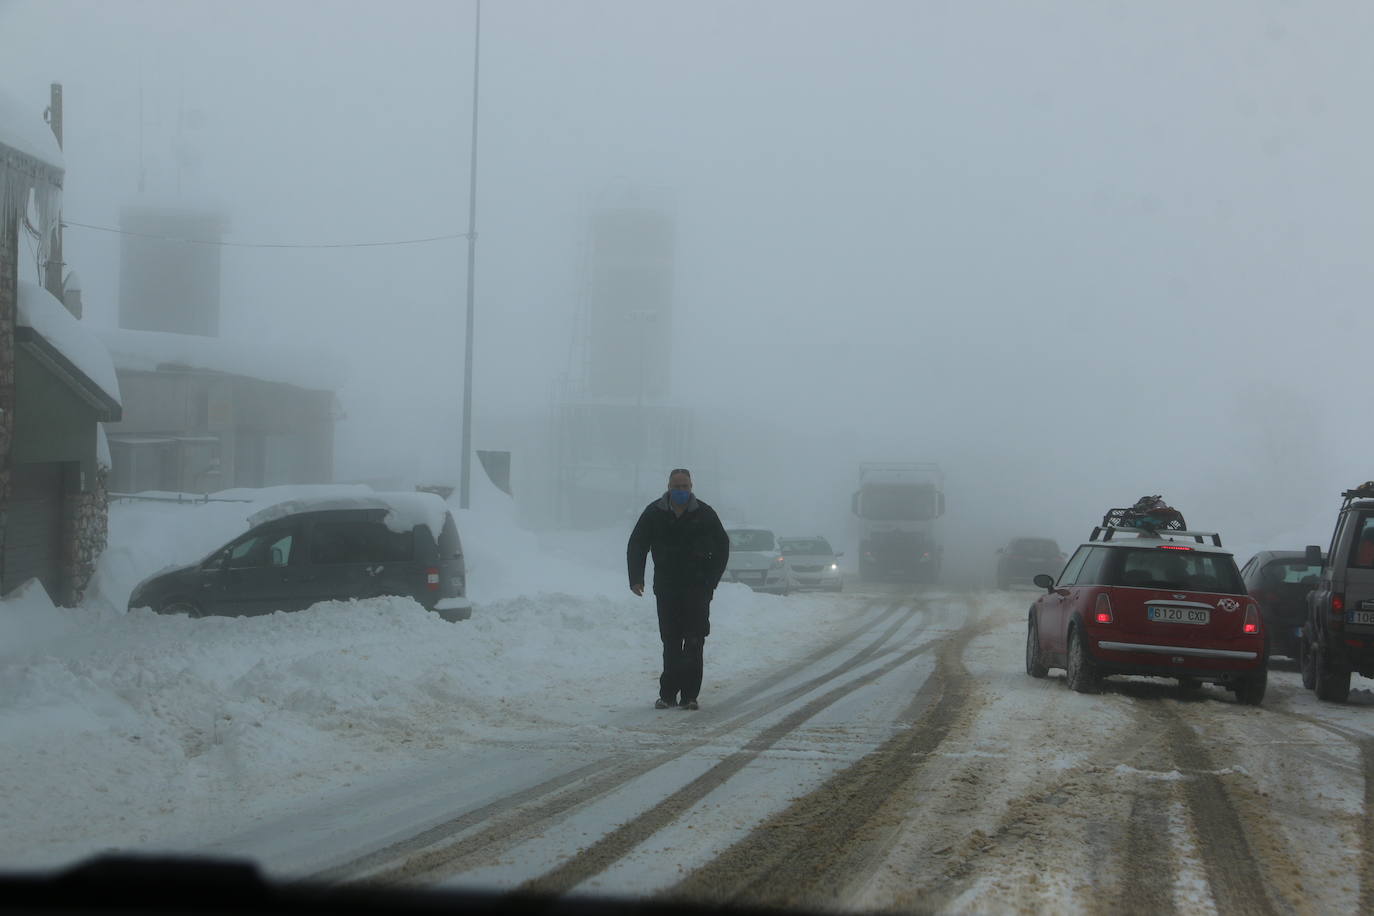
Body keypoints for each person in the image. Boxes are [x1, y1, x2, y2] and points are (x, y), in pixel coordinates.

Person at [627, 468, 730, 710]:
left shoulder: (705, 514)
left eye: (684, 486)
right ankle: (668, 694)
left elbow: (722, 547)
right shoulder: (655, 513)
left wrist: (711, 580)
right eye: (676, 486)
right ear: (668, 487)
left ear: (691, 487)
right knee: (671, 641)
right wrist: (636, 578)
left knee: (694, 641)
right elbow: (637, 544)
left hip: (698, 588)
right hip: (667, 588)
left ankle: (690, 696)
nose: (680, 491)